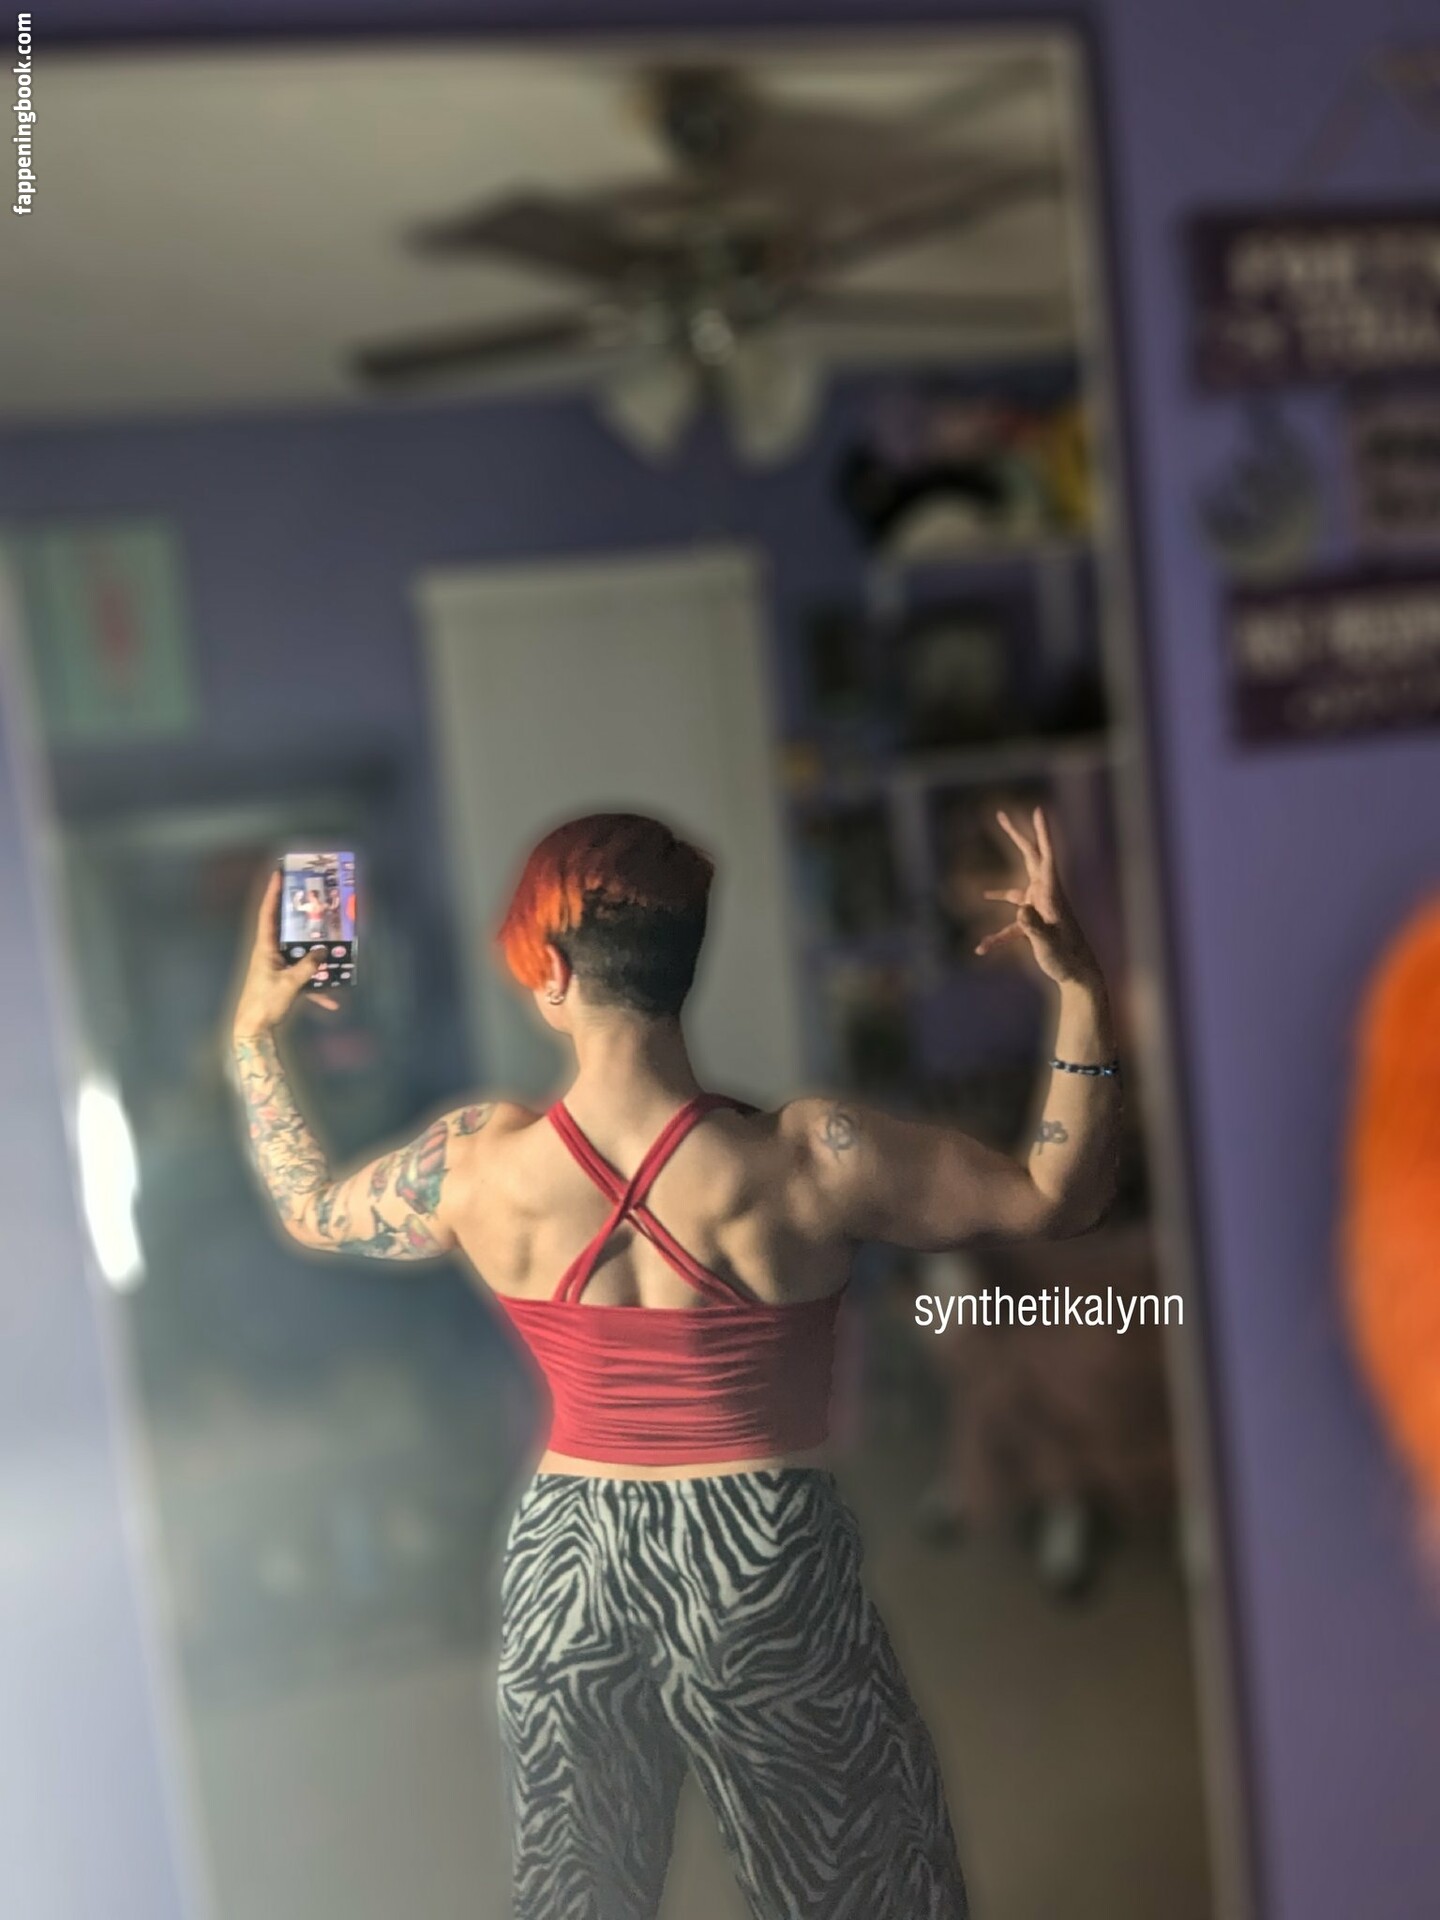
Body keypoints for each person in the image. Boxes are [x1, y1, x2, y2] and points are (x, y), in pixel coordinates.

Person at [228, 808, 1122, 1920]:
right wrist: (1079, 986)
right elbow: (1056, 1199)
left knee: (582, 1898)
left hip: (567, 1557)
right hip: (762, 1555)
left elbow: (310, 1207)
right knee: (860, 1893)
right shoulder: (811, 1156)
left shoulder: (477, 1165)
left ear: (552, 972)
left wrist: (254, 1035)